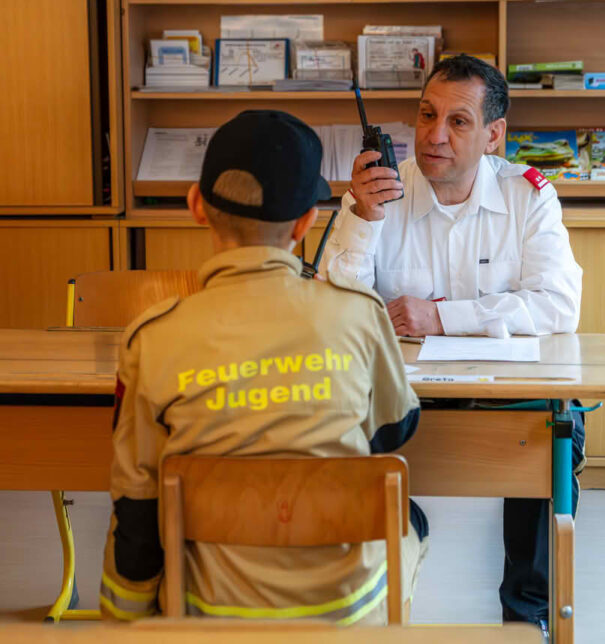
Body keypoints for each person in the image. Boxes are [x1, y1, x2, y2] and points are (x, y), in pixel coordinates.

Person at [100, 110, 428, 625]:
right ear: (306, 222)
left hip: (206, 610)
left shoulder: (152, 337)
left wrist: (129, 624)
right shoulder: (359, 314)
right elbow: (394, 429)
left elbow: (136, 507)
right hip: (343, 611)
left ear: (196, 207)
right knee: (414, 520)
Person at [321, 54, 584, 633]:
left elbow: (560, 307)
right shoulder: (379, 194)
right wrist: (362, 218)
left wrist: (443, 319)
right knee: (326, 417)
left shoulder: (529, 196)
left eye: (458, 122)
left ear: (494, 135)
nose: (434, 136)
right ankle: (354, 602)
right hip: (401, 397)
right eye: (426, 115)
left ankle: (527, 612)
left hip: (503, 394)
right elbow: (329, 306)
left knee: (556, 423)